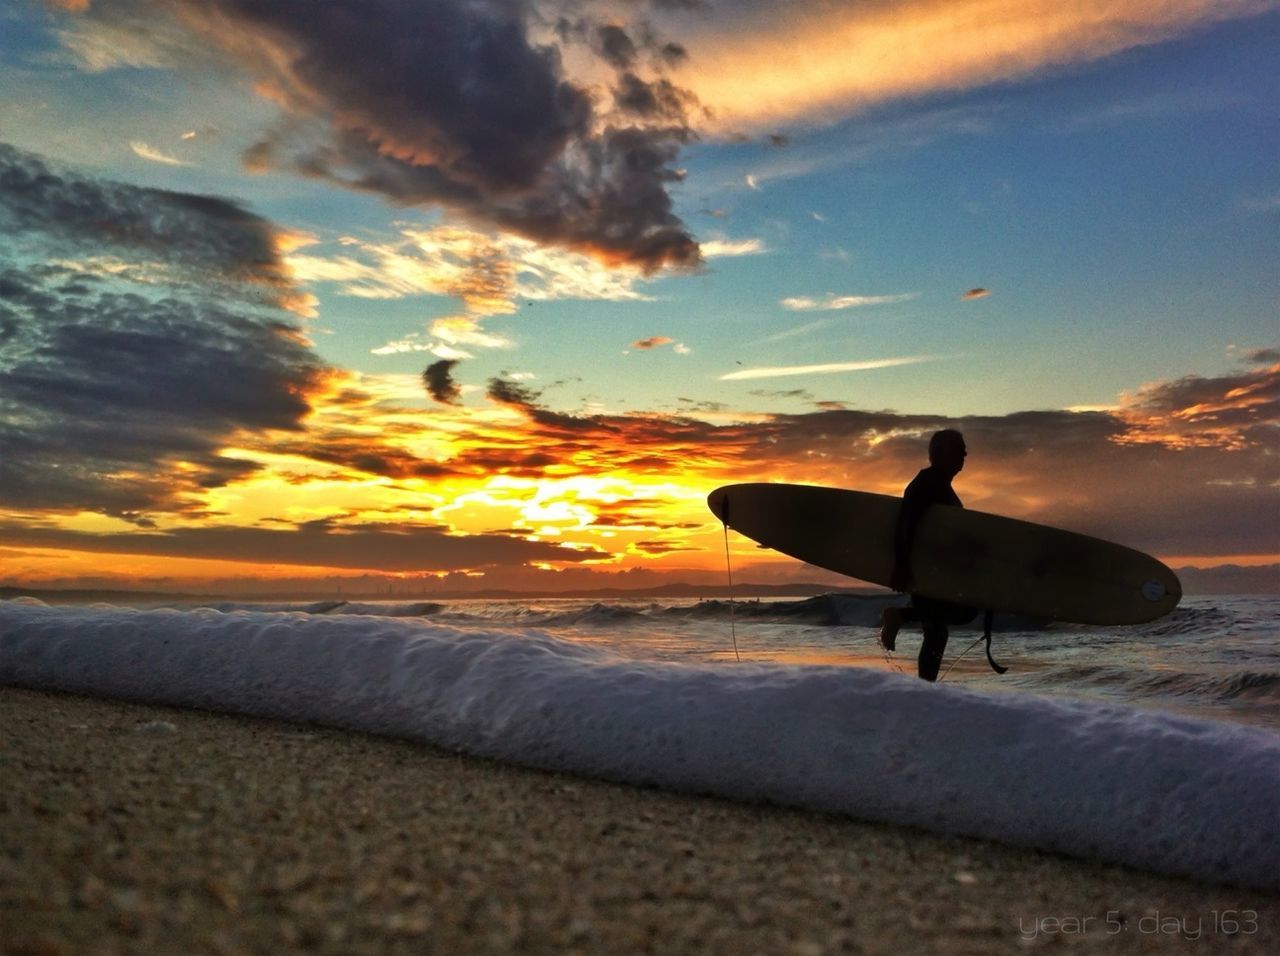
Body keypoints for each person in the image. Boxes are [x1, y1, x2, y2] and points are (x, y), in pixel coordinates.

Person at [879, 429, 978, 681]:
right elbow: (907, 521)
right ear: (940, 453)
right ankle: (898, 616)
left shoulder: (940, 485)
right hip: (925, 567)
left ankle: (925, 688)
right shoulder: (928, 481)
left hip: (934, 567)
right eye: (959, 449)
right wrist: (902, 564)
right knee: (964, 613)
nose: (964, 454)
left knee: (937, 631)